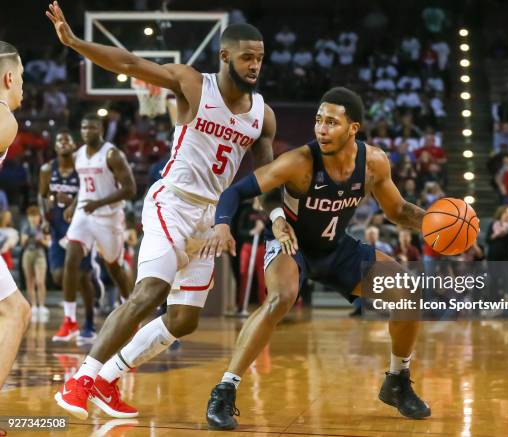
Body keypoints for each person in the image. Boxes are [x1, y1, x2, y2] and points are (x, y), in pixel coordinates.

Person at [47, 3, 275, 420]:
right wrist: (76, 42)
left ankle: (108, 378)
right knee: (149, 291)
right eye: (247, 57)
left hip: (208, 217)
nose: (255, 65)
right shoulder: (193, 83)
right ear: (225, 56)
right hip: (171, 201)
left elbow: (267, 176)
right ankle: (81, 378)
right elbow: (130, 62)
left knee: (184, 319)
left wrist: (279, 216)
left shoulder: (263, 116)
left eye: (260, 57)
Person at [202, 87, 431, 429]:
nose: (321, 129)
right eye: (319, 121)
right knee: (281, 298)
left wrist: (434, 223)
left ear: (353, 128)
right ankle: (224, 390)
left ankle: (397, 381)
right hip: (293, 244)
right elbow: (236, 191)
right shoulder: (299, 162)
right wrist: (222, 225)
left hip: (336, 248)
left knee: (408, 292)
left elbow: (397, 210)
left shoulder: (375, 163)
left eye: (332, 123)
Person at [50, 113, 136, 344]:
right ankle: (70, 321)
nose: (87, 131)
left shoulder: (112, 154)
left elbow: (130, 189)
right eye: (84, 127)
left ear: (101, 129)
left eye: (92, 127)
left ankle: (133, 313)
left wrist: (97, 203)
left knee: (114, 268)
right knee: (71, 260)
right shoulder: (78, 156)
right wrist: (74, 204)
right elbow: (85, 188)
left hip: (108, 217)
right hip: (84, 215)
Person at [39, 130, 98, 343]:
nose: (63, 143)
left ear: (74, 146)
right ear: (55, 147)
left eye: (67, 140)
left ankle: (88, 324)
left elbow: (89, 191)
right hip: (57, 228)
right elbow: (42, 194)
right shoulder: (47, 169)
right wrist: (44, 219)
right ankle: (73, 320)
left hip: (80, 227)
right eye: (60, 140)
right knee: (57, 275)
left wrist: (73, 205)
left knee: (82, 276)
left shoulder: (82, 168)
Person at [0, 40, 31, 388]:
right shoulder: (4, 117)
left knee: (15, 309)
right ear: (9, 78)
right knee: (15, 311)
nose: (24, 84)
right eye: (22, 77)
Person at [20, 206, 50, 322]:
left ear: (39, 217)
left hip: (40, 254)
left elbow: (48, 243)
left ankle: (41, 305)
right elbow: (22, 243)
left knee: (40, 281)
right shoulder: (25, 227)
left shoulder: (43, 227)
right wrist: (27, 238)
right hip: (28, 254)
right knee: (30, 281)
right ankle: (33, 306)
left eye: (35, 216)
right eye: (31, 216)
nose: (33, 218)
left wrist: (41, 240)